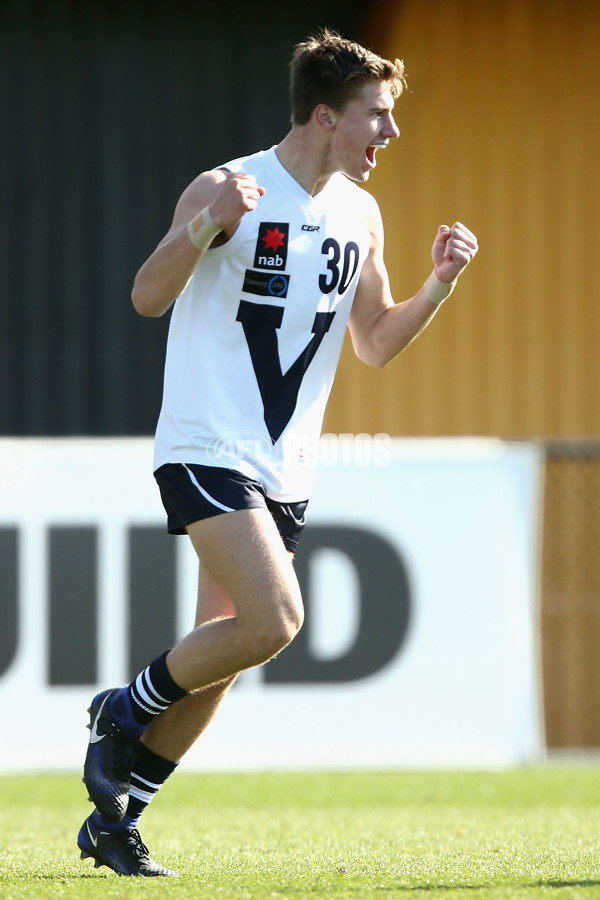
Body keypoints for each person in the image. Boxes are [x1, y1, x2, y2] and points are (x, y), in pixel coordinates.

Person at [77, 28, 478, 877]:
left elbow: (371, 341)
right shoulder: (232, 188)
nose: (391, 134)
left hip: (285, 464)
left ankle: (119, 821)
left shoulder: (360, 215)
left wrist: (437, 286)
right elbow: (148, 296)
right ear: (326, 115)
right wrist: (202, 228)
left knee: (225, 651)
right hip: (204, 445)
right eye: (379, 115)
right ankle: (122, 710)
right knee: (276, 620)